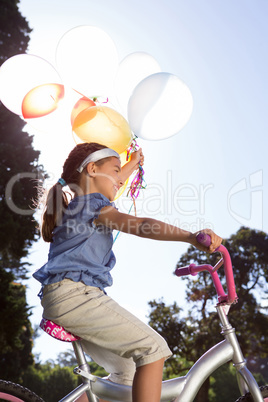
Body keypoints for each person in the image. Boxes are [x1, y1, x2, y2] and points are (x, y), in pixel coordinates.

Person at [33, 142, 222, 402]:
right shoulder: (93, 205)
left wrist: (133, 162)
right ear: (92, 169)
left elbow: (113, 179)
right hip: (76, 296)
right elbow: (142, 225)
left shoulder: (76, 206)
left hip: (62, 298)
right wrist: (190, 236)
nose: (120, 181)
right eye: (116, 171)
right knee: (153, 349)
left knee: (126, 371)